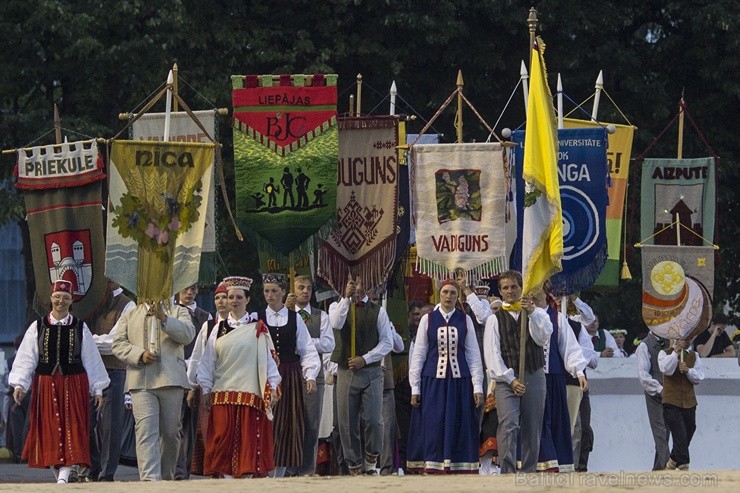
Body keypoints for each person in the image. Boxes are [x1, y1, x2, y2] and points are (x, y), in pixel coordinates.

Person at [8, 280, 110, 484]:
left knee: (72, 427)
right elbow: (27, 357)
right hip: (45, 385)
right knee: (51, 428)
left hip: (74, 384)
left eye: (65, 298)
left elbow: (90, 358)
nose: (60, 302)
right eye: (57, 297)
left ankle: (64, 476)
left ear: (71, 301)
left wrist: (97, 388)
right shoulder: (38, 327)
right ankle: (62, 476)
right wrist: (20, 384)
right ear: (51, 299)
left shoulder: (80, 327)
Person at [197, 276, 282, 478]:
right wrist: (206, 390)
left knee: (248, 446)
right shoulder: (217, 328)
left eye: (238, 297)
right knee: (222, 445)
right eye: (230, 297)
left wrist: (272, 386)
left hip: (249, 396)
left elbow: (268, 362)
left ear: (247, 299)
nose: (233, 301)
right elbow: (208, 362)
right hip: (222, 396)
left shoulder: (258, 328)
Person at [112, 297, 195, 481]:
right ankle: (150, 483)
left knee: (171, 433)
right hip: (141, 381)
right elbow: (117, 343)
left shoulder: (178, 311)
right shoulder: (130, 313)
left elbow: (188, 335)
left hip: (171, 380)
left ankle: (166, 479)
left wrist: (164, 318)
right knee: (145, 431)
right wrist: (139, 355)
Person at [407, 279, 484, 474]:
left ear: (458, 296)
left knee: (459, 422)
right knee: (433, 422)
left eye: (452, 293)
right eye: (445, 292)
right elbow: (419, 354)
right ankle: (433, 465)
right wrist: (415, 387)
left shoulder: (465, 319)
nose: (448, 296)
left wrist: (477, 386)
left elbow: (473, 354)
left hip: (460, 382)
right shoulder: (428, 319)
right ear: (439, 294)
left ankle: (458, 466)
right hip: (433, 382)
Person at [482, 270, 553, 474]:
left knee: (533, 427)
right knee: (509, 425)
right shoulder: (494, 320)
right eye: (506, 287)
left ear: (522, 288)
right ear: (500, 292)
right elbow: (492, 355)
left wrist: (531, 312)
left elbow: (542, 338)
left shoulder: (537, 313)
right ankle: (507, 471)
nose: (510, 291)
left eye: (514, 286)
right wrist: (511, 379)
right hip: (506, 379)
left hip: (534, 373)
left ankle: (529, 471)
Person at [256, 273, 320, 477]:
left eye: (274, 291)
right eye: (266, 291)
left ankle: (280, 475)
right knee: (266, 424)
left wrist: (310, 375)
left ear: (283, 292)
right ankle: (265, 472)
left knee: (287, 426)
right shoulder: (257, 318)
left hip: (289, 375)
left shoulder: (294, 319)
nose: (270, 295)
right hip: (263, 375)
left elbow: (307, 348)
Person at [329, 276, 393, 475]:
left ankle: (372, 460)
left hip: (371, 371)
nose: (356, 287)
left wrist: (365, 358)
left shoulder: (378, 311)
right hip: (346, 371)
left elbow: (387, 343)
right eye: (351, 283)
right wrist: (345, 299)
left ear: (367, 284)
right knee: (346, 423)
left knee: (374, 419)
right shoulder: (335, 307)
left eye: (359, 282)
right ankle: (354, 465)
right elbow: (336, 324)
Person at [83, 280, 135, 482]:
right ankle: (93, 465)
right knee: (85, 421)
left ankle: (107, 473)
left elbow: (115, 343)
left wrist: (85, 342)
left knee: (111, 425)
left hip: (114, 369)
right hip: (88, 370)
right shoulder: (89, 302)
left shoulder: (126, 304)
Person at [284, 274, 335, 476]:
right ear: (293, 291)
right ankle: (288, 466)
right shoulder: (285, 314)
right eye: (300, 287)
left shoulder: (320, 316)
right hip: (289, 375)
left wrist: (304, 342)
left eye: (308, 288)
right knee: (290, 422)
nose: (305, 291)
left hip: (315, 376)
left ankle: (307, 469)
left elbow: (329, 343)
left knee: (311, 423)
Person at [537, 288, 588, 473]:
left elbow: (570, 348)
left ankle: (558, 464)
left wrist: (579, 373)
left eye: (538, 289)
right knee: (536, 422)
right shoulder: (523, 316)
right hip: (532, 380)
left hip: (554, 378)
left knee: (557, 421)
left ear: (546, 294)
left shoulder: (558, 318)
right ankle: (537, 463)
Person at [187, 281, 229, 476]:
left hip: (231, 384)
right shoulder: (208, 325)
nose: (221, 302)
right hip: (209, 385)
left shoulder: (243, 325)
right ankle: (214, 472)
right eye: (217, 298)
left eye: (224, 297)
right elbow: (198, 356)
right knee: (209, 431)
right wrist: (192, 385)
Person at [174, 284, 212, 480]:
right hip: (175, 371)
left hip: (195, 374)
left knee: (190, 424)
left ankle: (184, 469)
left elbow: (206, 350)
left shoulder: (205, 317)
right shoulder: (171, 313)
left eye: (193, 289)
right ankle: (178, 468)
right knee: (175, 423)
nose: (189, 293)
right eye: (185, 289)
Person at [659, 337, 704, 470]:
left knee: (690, 429)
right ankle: (683, 464)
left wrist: (688, 371)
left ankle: (673, 459)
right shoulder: (664, 353)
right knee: (679, 433)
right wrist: (676, 352)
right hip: (671, 401)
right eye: (682, 339)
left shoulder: (694, 355)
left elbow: (699, 377)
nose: (685, 341)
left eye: (688, 338)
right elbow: (666, 369)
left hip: (689, 401)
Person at [636, 331, 671, 471]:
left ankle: (658, 468)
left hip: (669, 393)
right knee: (660, 431)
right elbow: (643, 375)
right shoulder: (645, 345)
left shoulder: (670, 341)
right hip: (654, 395)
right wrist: (659, 389)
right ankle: (668, 465)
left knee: (666, 431)